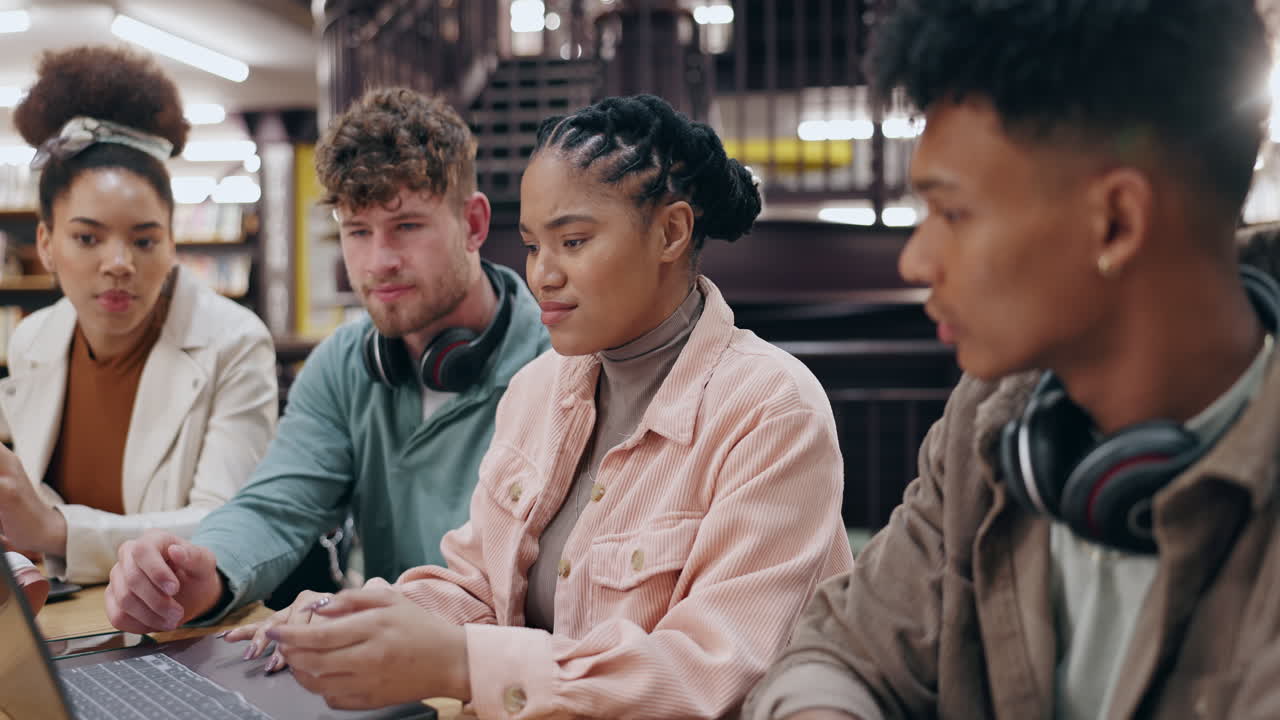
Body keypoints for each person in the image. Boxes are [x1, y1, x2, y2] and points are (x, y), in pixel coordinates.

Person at [745, 2, 1280, 719]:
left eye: (953, 214)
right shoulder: (993, 422)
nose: (915, 259)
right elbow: (838, 652)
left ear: (1116, 222)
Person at [250, 94, 853, 718]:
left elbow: (709, 675)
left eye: (573, 240)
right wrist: (361, 620)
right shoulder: (540, 387)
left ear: (671, 232)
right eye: (535, 246)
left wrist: (463, 663)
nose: (542, 275)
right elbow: (479, 585)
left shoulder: (771, 411)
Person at [104, 88, 550, 633]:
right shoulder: (343, 362)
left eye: (406, 226)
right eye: (357, 232)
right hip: (391, 683)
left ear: (474, 225)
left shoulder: (557, 364)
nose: (379, 261)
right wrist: (208, 572)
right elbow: (274, 507)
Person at [0, 46, 277, 585]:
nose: (119, 264)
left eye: (145, 240)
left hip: (176, 631)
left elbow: (229, 525)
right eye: (87, 238)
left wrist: (57, 531)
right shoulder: (34, 338)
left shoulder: (235, 342)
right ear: (47, 244)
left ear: (173, 244)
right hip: (64, 620)